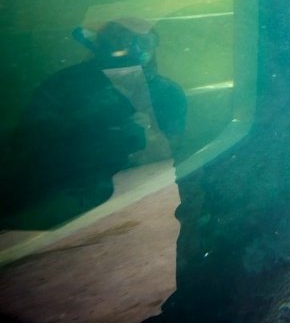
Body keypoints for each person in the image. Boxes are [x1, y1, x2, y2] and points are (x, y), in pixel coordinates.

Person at [0, 17, 187, 230]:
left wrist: (150, 133)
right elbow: (28, 148)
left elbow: (170, 154)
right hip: (64, 196)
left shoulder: (168, 93)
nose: (134, 49)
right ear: (100, 45)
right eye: (121, 40)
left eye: (144, 42)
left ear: (155, 46)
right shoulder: (63, 86)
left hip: (139, 193)